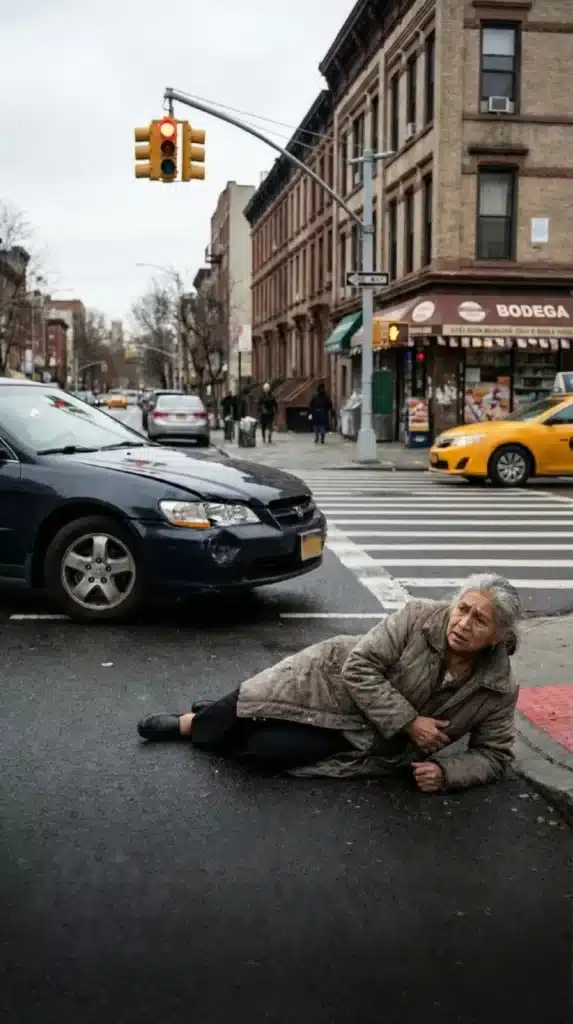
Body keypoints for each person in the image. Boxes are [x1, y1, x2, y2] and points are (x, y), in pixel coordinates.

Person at [138, 574, 522, 794]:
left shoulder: (498, 687)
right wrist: (410, 722)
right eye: (462, 609)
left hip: (364, 736)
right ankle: (192, 722)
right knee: (254, 698)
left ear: (497, 636)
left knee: (265, 751)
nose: (463, 624)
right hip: (333, 680)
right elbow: (359, 667)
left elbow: (495, 755)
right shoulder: (419, 616)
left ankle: (233, 716)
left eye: (480, 620)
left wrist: (448, 774)